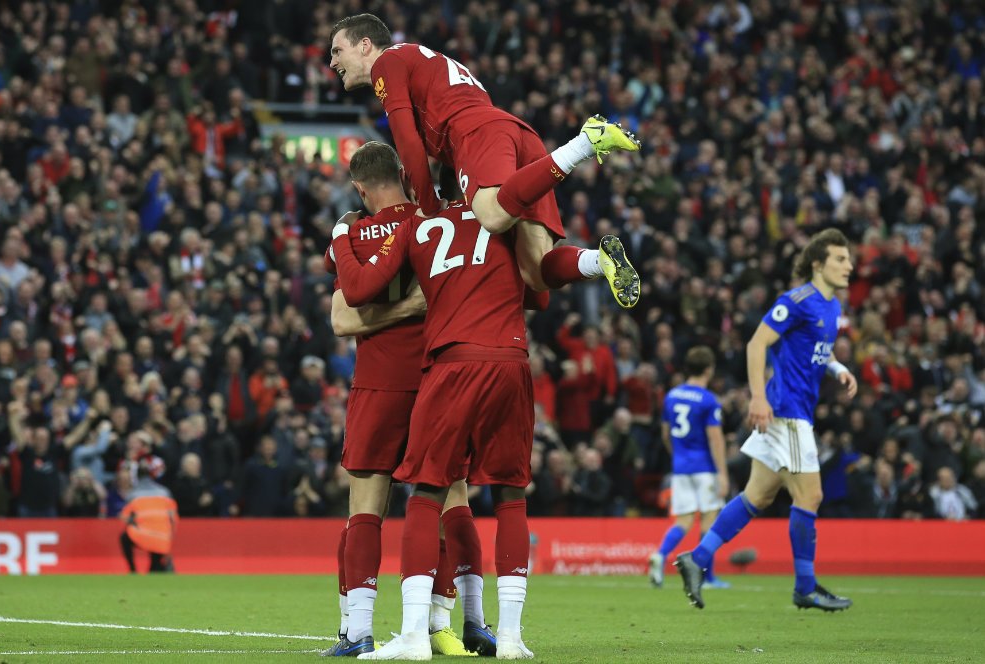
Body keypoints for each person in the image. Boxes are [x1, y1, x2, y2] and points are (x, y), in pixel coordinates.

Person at [331, 141, 535, 660]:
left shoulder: (356, 233)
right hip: (438, 375)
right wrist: (419, 303)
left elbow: (342, 316)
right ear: (404, 172)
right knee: (453, 502)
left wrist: (338, 237)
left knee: (366, 510)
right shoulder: (447, 223)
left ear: (359, 186)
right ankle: (468, 621)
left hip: (381, 381)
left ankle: (358, 632)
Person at [328, 13, 642, 309]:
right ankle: (599, 261)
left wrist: (428, 203)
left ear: (366, 44)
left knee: (492, 215)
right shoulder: (424, 60)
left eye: (338, 50)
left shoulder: (388, 61)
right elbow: (539, 301)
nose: (333, 61)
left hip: (475, 134)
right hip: (512, 134)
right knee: (535, 272)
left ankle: (586, 142)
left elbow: (406, 139)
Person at [675, 229, 858, 612]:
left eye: (849, 259)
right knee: (811, 495)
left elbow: (816, 354)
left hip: (796, 410)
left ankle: (697, 558)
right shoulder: (797, 300)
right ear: (817, 263)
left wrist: (838, 368)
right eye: (840, 259)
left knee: (757, 495)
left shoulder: (833, 307)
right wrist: (758, 397)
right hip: (786, 411)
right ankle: (805, 587)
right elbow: (757, 343)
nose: (849, 266)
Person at [648, 346, 730, 589]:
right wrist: (722, 473)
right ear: (709, 369)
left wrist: (679, 457)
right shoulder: (708, 400)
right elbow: (715, 438)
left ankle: (660, 555)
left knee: (683, 520)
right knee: (709, 521)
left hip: (681, 467)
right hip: (704, 467)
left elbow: (665, 434)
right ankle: (707, 577)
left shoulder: (672, 396)